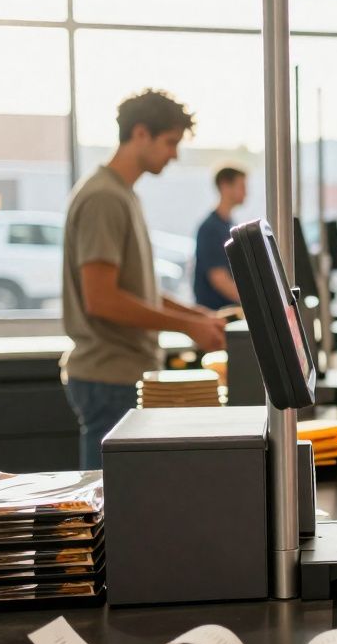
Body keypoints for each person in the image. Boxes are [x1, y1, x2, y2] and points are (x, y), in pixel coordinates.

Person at [61, 89, 226, 469]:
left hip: (123, 374)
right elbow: (101, 298)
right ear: (140, 134)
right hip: (108, 377)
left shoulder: (123, 194)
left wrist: (195, 314)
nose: (174, 154)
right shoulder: (104, 198)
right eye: (170, 142)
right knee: (112, 512)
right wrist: (187, 326)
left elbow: (138, 289)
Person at [192, 165, 246, 311]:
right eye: (241, 186)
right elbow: (219, 279)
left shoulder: (230, 225)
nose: (246, 192)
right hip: (217, 315)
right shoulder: (210, 228)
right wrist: (254, 302)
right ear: (225, 186)